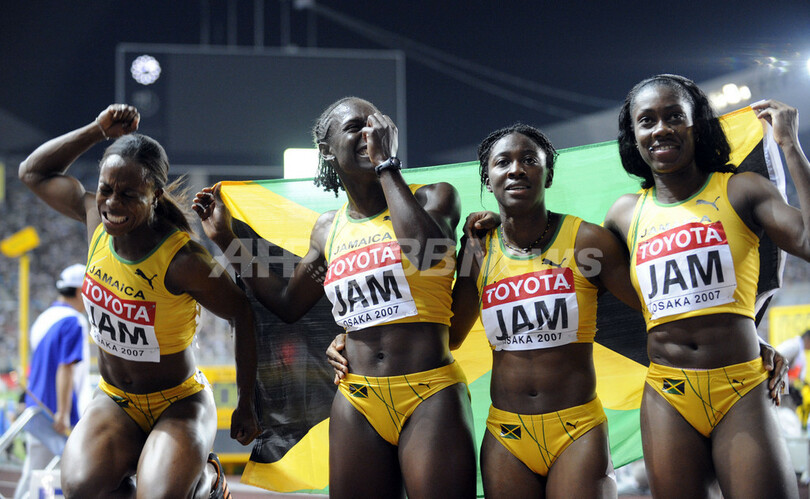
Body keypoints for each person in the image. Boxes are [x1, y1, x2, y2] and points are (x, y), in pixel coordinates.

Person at [329, 123, 641, 498]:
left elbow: (652, 307)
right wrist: (350, 335)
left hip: (576, 428)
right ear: (488, 180)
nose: (516, 169)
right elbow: (450, 335)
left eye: (529, 160)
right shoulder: (478, 252)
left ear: (549, 173)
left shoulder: (588, 242)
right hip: (506, 435)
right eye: (502, 162)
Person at [193, 97, 477, 498]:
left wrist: (386, 166)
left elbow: (424, 253)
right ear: (327, 151)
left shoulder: (434, 198)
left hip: (430, 392)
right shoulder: (328, 230)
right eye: (354, 127)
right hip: (357, 397)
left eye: (374, 123)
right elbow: (288, 303)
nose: (368, 132)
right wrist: (226, 240)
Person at [19, 104, 260, 498]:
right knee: (79, 488)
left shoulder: (184, 260)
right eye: (106, 189)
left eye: (128, 194)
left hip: (178, 404)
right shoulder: (96, 224)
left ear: (155, 195)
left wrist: (247, 401)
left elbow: (243, 314)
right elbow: (33, 172)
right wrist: (97, 130)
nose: (111, 204)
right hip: (115, 399)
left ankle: (205, 481)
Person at [603, 74, 804, 498]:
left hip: (742, 387)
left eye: (675, 116)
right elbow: (626, 302)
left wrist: (789, 145)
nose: (661, 128)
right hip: (667, 394)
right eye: (647, 120)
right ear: (634, 136)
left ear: (698, 126)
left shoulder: (741, 189)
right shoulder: (623, 214)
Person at [15, 263, 90, 499]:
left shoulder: (43, 319)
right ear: (80, 291)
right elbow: (65, 368)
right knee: (62, 477)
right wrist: (64, 412)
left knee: (33, 474)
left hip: (36, 409)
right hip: (57, 414)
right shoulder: (74, 322)